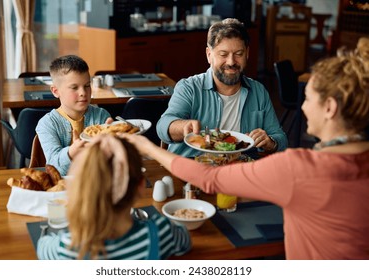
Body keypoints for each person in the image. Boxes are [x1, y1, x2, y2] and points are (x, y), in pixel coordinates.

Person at [121, 38, 369, 260]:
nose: (302, 107)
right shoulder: (190, 86)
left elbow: (210, 178)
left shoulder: (300, 168)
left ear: (329, 108)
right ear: (209, 54)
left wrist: (144, 145)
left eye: (308, 98)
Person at [37, 135, 191, 260]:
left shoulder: (69, 247)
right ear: (141, 187)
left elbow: (42, 246)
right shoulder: (160, 231)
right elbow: (185, 241)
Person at [157, 18, 288, 157]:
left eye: (238, 54)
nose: (231, 62)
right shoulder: (189, 87)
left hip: (239, 170)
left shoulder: (258, 91)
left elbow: (280, 138)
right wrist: (183, 127)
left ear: (247, 53)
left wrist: (270, 142)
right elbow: (163, 126)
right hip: (192, 167)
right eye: (223, 54)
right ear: (209, 55)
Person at [36, 55, 112, 176]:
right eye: (74, 87)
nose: (83, 93)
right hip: (64, 189)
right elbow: (54, 169)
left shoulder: (102, 116)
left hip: (97, 184)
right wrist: (71, 153)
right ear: (56, 91)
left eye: (87, 85)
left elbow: (110, 163)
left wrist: (114, 144)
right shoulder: (47, 124)